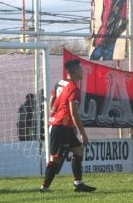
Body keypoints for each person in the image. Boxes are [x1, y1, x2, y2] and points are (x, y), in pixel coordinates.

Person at [40, 59, 96, 193]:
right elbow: (73, 112)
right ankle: (44, 188)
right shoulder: (73, 88)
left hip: (61, 124)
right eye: (80, 70)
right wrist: (82, 133)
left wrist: (53, 113)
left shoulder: (60, 83)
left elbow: (52, 100)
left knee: (78, 151)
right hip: (60, 127)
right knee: (56, 159)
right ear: (76, 71)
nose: (82, 72)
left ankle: (78, 184)